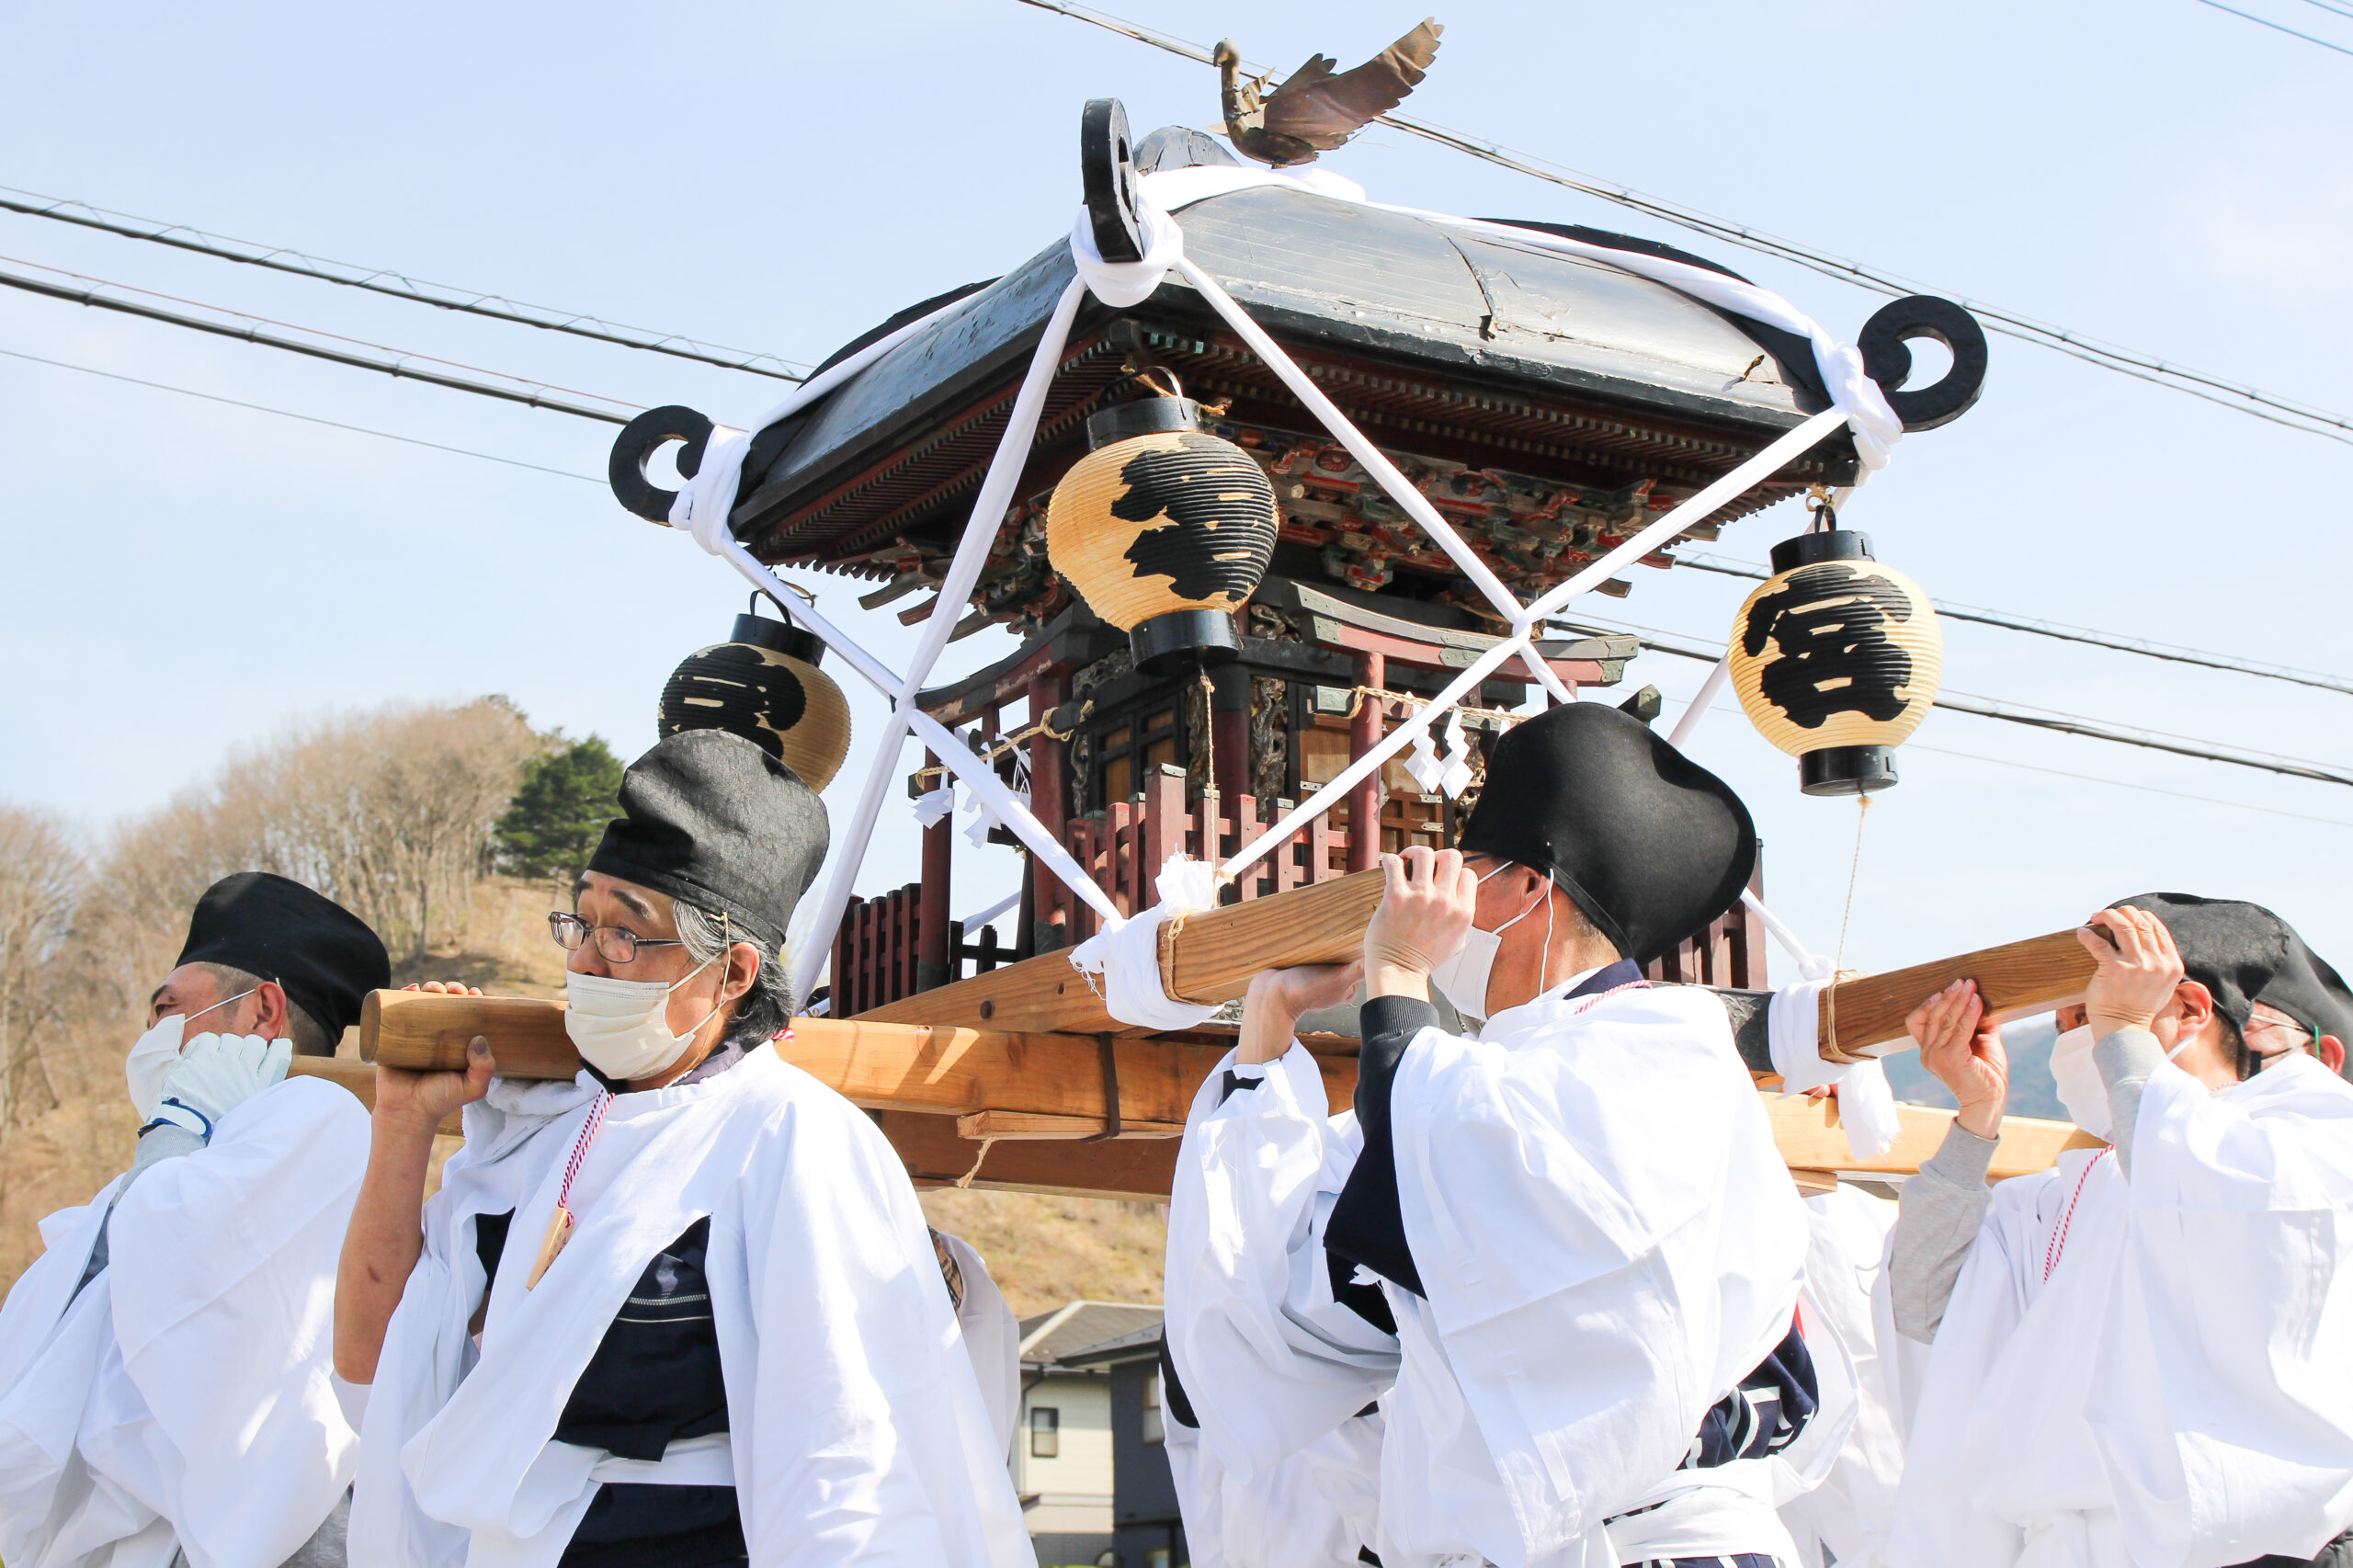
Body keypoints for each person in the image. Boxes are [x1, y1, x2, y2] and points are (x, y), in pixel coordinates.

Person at [335, 729, 1029, 1568]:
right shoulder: (549, 1127)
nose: (587, 962)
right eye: (581, 923)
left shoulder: (789, 1136)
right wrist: (402, 1125)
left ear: (734, 974)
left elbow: (844, 1461)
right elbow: (379, 1365)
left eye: (626, 936)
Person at [1165, 700, 1824, 1568]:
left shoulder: (1661, 1045)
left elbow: (1469, 1157)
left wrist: (1399, 974)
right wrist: (1263, 1044)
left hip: (1663, 1543)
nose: (1447, 892)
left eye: (1467, 867)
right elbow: (1274, 1326)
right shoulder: (1468, 1091)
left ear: (1529, 886)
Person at [1886, 893, 2353, 1568]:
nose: (2078, 1039)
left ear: (2191, 1009)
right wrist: (1976, 1119)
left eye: (2092, 1012)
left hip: (2243, 1554)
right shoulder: (2071, 1191)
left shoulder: (2306, 1138)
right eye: (2069, 1022)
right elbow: (1931, 1308)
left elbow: (2207, 1202)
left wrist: (2125, 1034)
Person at [0, 871, 390, 1568]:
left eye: (167, 1009)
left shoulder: (314, 1117)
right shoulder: (187, 1156)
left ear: (263, 1012)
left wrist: (175, 1126)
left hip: (270, 1539)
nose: (151, 1035)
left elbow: (169, 1260)